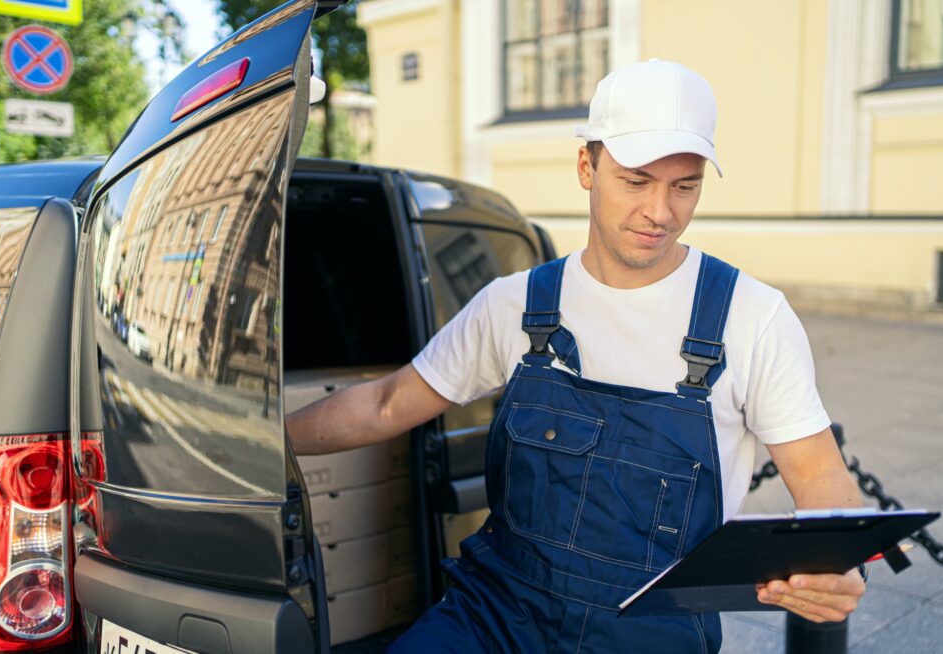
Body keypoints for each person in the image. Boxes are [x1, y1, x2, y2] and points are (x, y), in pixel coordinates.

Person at [287, 58, 866, 652]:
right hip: (495, 614)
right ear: (587, 166)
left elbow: (823, 478)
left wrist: (838, 564)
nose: (661, 212)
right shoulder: (515, 304)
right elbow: (384, 405)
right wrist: (260, 443)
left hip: (652, 630)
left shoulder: (753, 316)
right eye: (637, 181)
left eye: (685, 185)